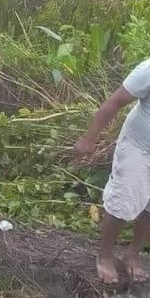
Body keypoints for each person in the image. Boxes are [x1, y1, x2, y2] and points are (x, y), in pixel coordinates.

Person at [74, 59, 150, 284]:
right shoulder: (148, 70)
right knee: (122, 202)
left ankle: (132, 254)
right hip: (138, 146)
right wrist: (88, 139)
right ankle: (105, 255)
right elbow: (115, 102)